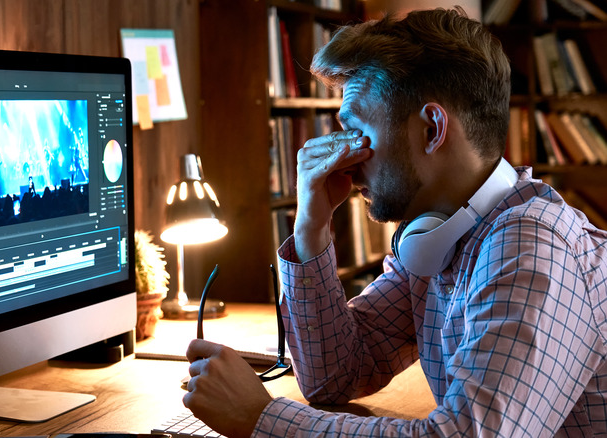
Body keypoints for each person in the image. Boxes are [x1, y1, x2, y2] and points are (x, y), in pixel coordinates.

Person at [183, 7, 607, 437]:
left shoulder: (530, 247)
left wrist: (261, 420)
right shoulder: (438, 237)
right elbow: (335, 375)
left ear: (431, 129)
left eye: (357, 131)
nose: (345, 160)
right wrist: (311, 227)